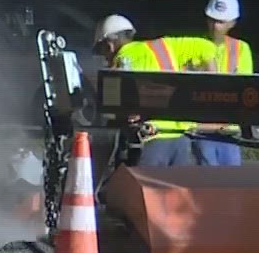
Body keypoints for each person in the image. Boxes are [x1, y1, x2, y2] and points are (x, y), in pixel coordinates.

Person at [92, 13, 218, 168]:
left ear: (109, 45)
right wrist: (212, 92)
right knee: (176, 190)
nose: (105, 58)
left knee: (145, 189)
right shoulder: (164, 46)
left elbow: (118, 109)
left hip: (151, 141)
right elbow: (207, 48)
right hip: (181, 140)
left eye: (102, 51)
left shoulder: (122, 60)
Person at [194, 0, 255, 165]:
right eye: (212, 20)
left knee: (230, 180)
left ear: (232, 23)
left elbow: (245, 87)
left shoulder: (241, 49)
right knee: (209, 179)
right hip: (203, 127)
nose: (215, 26)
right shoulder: (194, 46)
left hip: (229, 128)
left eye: (220, 22)